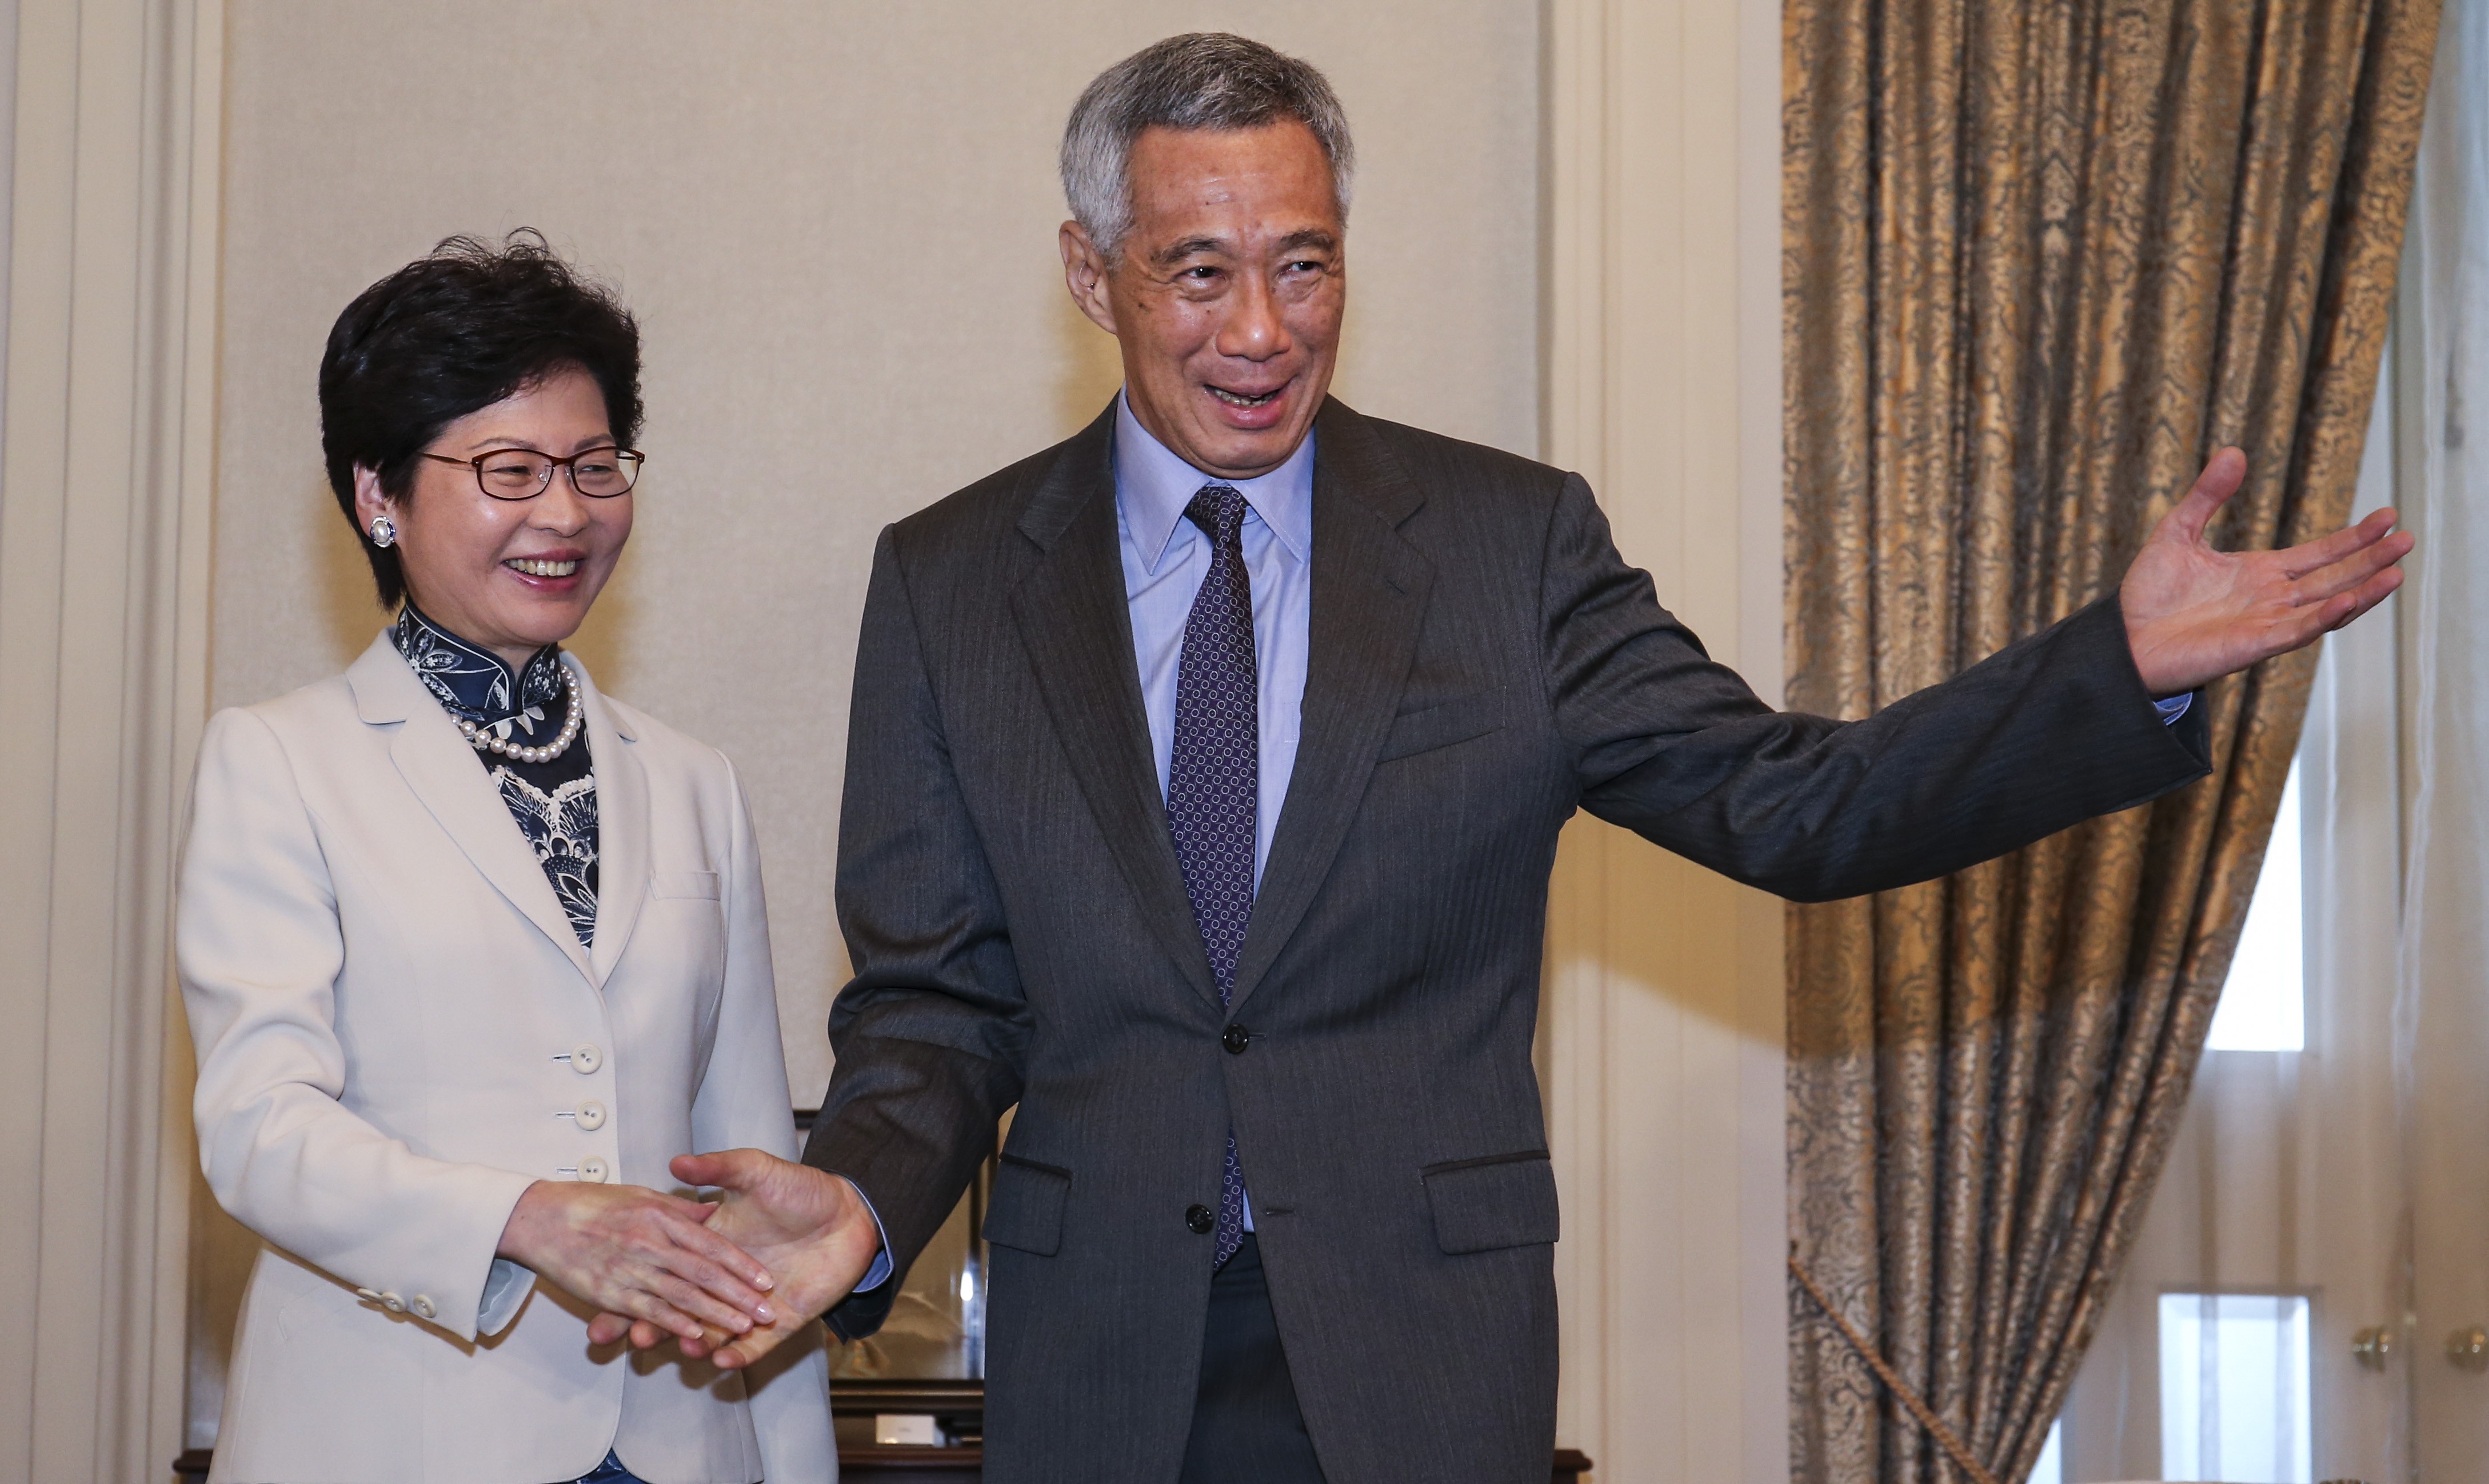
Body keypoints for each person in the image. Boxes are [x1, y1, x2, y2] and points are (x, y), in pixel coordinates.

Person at [605, 34, 2410, 1484]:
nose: (1260, 329)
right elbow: (937, 996)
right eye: (1199, 271)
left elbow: (1798, 801)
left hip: (1419, 1349)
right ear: (1091, 271)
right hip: (1100, 1358)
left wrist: (2117, 665)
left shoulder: (1505, 543)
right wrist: (856, 1184)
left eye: (1303, 265)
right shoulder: (947, 581)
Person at [178, 234, 833, 1484]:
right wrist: (530, 1219)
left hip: (679, 1442)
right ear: (378, 492)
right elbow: (258, 1127)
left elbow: (752, 1172)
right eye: (510, 468)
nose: (566, 514)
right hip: (394, 1435)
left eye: (596, 466)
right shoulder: (279, 762)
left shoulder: (695, 782)